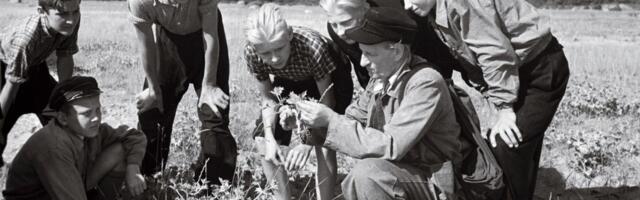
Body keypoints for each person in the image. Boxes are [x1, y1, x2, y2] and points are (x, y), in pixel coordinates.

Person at [402, 0, 571, 199]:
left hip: (539, 70)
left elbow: (495, 53)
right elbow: (469, 55)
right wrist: (492, 95)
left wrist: (504, 107)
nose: (407, 5)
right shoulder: (434, 9)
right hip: (514, 73)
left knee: (507, 143)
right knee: (516, 145)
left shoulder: (462, 3)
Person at [294, 8, 468, 200]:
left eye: (370, 54)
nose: (362, 62)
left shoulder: (425, 82)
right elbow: (353, 119)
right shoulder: (380, 79)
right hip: (404, 172)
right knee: (365, 175)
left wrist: (332, 120)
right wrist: (306, 126)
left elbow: (391, 146)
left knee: (368, 175)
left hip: (436, 180)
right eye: (361, 52)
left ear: (397, 51)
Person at [244, 4, 353, 200]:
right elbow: (268, 98)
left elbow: (326, 100)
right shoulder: (252, 52)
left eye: (279, 48)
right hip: (291, 77)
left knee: (325, 144)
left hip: (331, 79)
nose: (274, 58)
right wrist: (270, 137)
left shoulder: (312, 48)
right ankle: (282, 197)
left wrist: (308, 142)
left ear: (290, 35)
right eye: (266, 54)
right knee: (262, 141)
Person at [128, 0, 237, 185]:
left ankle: (212, 188)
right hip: (168, 41)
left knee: (214, 112)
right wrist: (153, 90)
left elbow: (210, 34)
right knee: (153, 112)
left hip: (207, 40)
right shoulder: (140, 2)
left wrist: (209, 85)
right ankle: (148, 181)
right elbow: (146, 45)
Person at [3, 76, 147, 200]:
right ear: (63, 118)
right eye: (86, 113)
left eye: (98, 110)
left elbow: (134, 136)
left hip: (64, 188)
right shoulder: (54, 146)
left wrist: (133, 167)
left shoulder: (88, 130)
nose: (96, 118)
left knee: (120, 150)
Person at [0, 0, 80, 167]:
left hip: (36, 67)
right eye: (63, 14)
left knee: (61, 120)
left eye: (75, 11)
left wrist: (63, 98)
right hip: (5, 70)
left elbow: (65, 56)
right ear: (42, 11)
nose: (71, 19)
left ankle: (64, 166)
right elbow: (11, 85)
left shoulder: (69, 21)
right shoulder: (26, 39)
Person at [320, 0, 460, 88]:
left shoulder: (397, 17)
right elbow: (362, 66)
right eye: (334, 24)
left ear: (366, 9)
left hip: (426, 55)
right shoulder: (336, 30)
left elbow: (429, 55)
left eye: (346, 22)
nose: (340, 32)